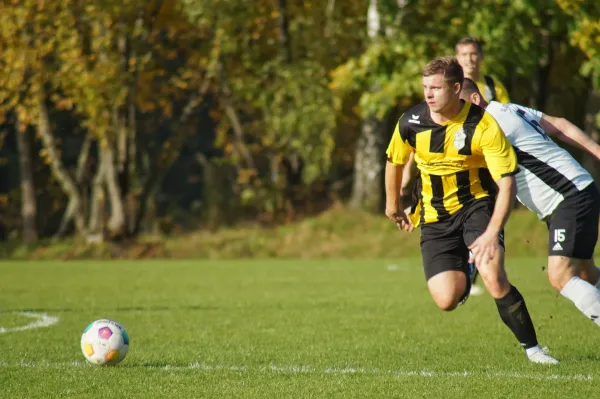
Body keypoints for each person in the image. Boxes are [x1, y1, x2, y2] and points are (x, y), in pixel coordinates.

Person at [385, 56, 557, 364]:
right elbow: (394, 161)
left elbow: (506, 184)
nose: (428, 94)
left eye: (435, 88)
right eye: (425, 87)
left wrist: (492, 232)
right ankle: (469, 263)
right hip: (435, 217)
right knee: (446, 300)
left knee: (494, 277)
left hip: (477, 207)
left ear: (455, 88)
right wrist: (392, 205)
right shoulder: (410, 122)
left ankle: (533, 349)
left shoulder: (483, 124)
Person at [459, 78, 600, 326]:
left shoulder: (491, 123)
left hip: (567, 196)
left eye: (457, 105)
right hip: (574, 191)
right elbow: (559, 125)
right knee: (586, 274)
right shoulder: (510, 109)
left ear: (474, 99)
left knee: (560, 276)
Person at [456, 37, 511, 104]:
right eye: (464, 54)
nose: (469, 59)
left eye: (473, 54)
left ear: (481, 56)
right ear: (457, 58)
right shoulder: (450, 85)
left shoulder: (494, 86)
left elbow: (506, 112)